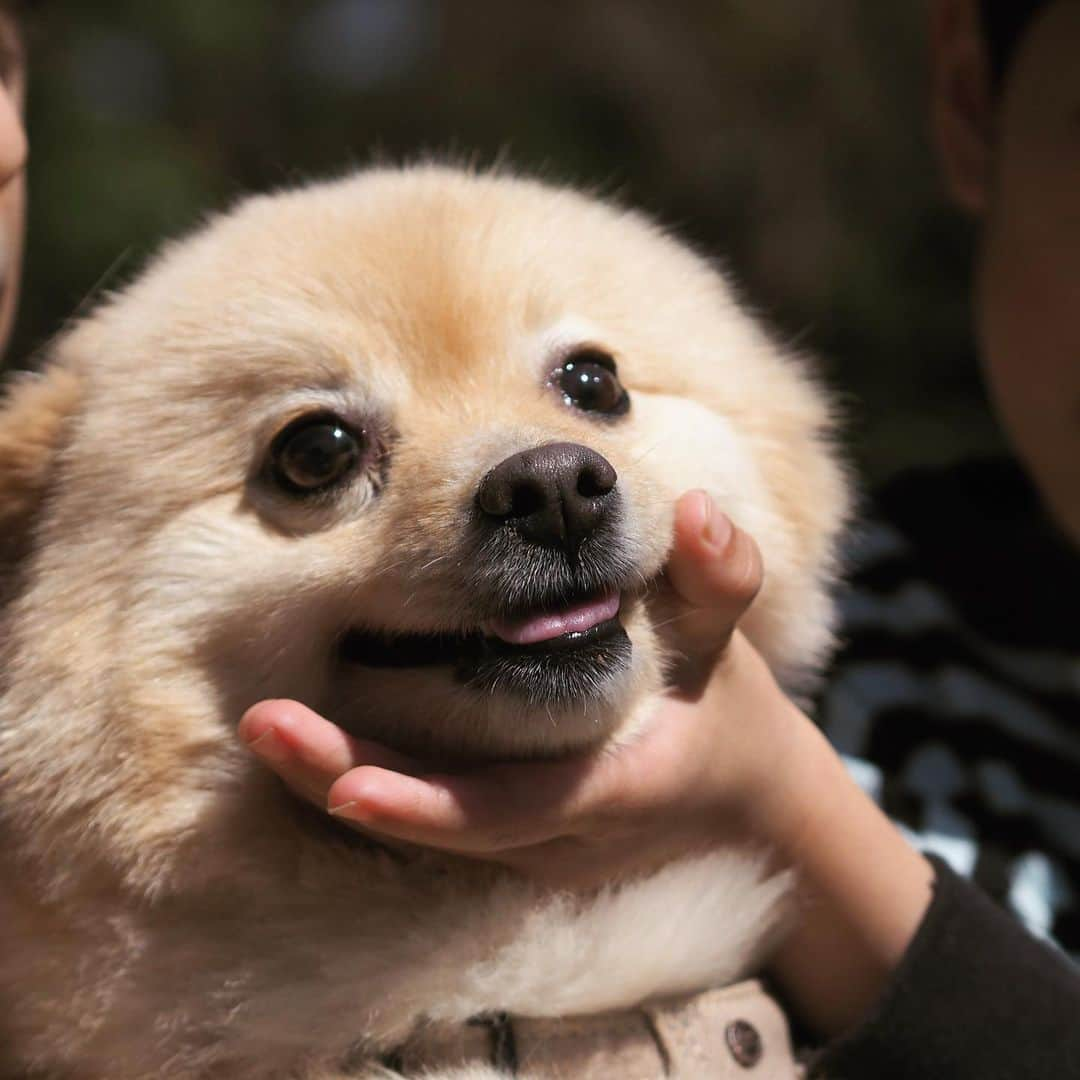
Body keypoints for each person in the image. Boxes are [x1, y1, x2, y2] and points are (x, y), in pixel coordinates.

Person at [238, 0, 1080, 1075]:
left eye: (588, 387)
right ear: (971, 99)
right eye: (319, 455)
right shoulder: (855, 663)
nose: (549, 477)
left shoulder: (795, 749)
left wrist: (783, 818)